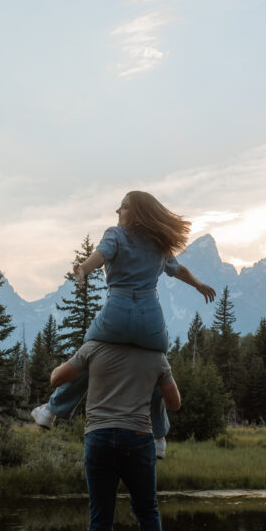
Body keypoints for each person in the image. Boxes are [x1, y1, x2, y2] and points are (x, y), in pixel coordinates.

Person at [32, 190, 215, 457]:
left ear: (138, 213)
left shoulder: (115, 235)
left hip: (116, 315)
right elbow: (180, 271)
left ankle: (51, 411)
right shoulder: (159, 244)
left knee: (87, 358)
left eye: (124, 207)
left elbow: (101, 255)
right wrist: (198, 285)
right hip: (150, 320)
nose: (118, 212)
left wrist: (83, 267)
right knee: (153, 368)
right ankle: (159, 438)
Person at [50, 339, 182, 531]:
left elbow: (56, 378)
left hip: (98, 438)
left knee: (100, 520)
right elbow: (175, 403)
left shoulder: (94, 348)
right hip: (138, 439)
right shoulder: (154, 354)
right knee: (147, 512)